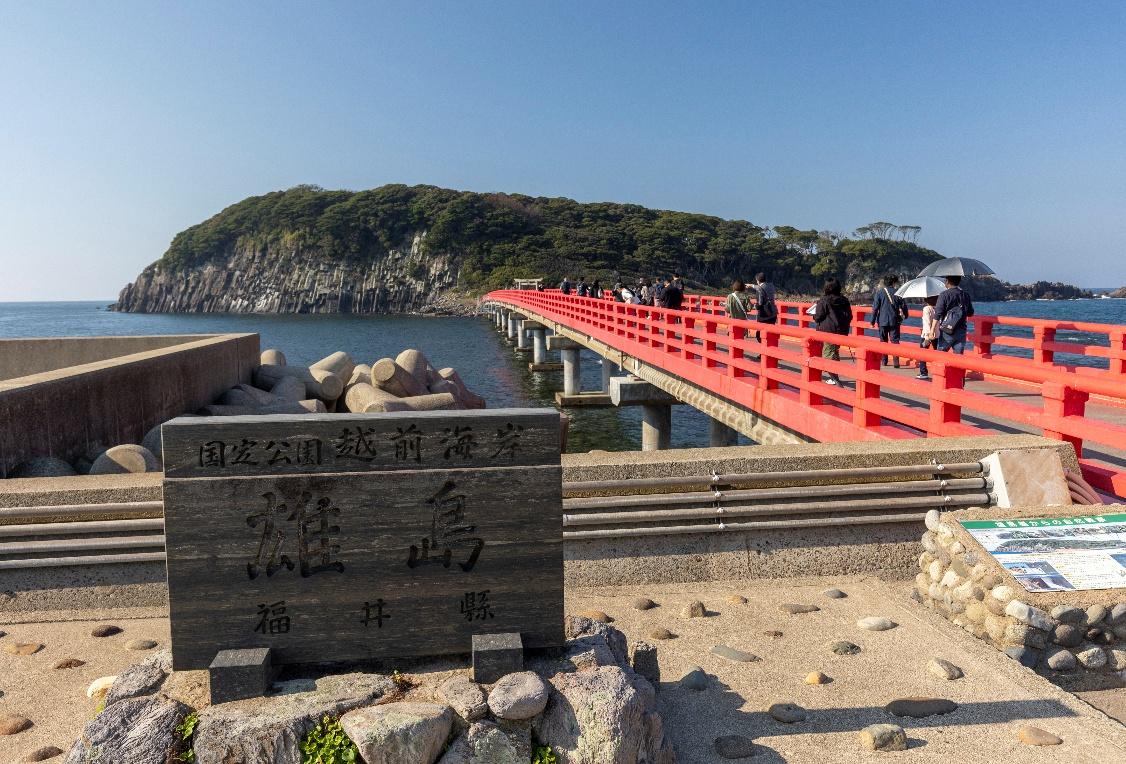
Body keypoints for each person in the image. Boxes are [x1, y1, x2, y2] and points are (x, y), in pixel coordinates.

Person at [812, 278, 852, 385]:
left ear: (827, 287)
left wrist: (813, 315)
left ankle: (836, 379)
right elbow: (850, 316)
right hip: (841, 331)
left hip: (828, 332)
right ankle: (835, 376)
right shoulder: (844, 300)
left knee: (828, 355)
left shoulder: (824, 300)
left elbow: (818, 317)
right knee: (834, 352)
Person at [871, 274, 909, 367]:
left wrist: (872, 321)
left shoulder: (879, 292)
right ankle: (896, 362)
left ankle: (884, 361)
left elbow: (875, 308)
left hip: (882, 320)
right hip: (894, 321)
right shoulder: (898, 293)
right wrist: (906, 315)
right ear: (893, 282)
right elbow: (904, 306)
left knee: (883, 341)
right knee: (895, 341)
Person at [934, 275, 974, 354]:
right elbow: (970, 313)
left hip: (947, 330)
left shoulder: (944, 295)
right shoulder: (965, 295)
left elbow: (938, 313)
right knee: (958, 356)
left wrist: (932, 329)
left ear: (947, 281)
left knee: (941, 354)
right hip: (961, 329)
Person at [916, 295, 938, 380]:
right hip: (937, 334)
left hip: (927, 334)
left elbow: (927, 322)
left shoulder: (926, 309)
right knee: (937, 353)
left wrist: (928, 336)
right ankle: (937, 372)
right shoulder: (937, 309)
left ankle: (923, 372)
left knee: (923, 354)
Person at [752, 272, 778, 342]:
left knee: (760, 334)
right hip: (773, 313)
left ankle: (764, 352)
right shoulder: (771, 286)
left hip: (764, 315)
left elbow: (760, 303)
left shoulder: (759, 289)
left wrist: (754, 306)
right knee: (770, 333)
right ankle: (770, 350)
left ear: (757, 280)